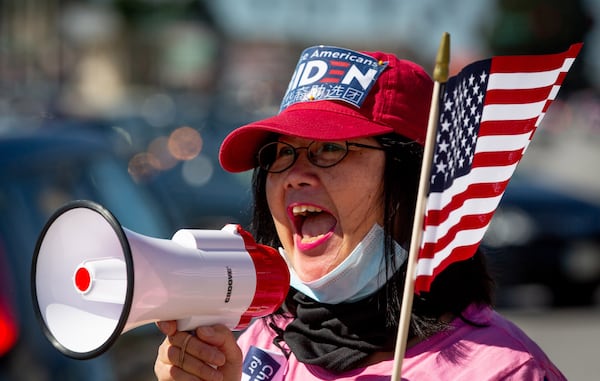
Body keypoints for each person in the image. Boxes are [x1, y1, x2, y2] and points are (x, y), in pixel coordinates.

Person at [154, 45, 566, 380]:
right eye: (280, 153)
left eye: (330, 148)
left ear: (415, 183)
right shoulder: (256, 341)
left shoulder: (505, 370)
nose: (294, 175)